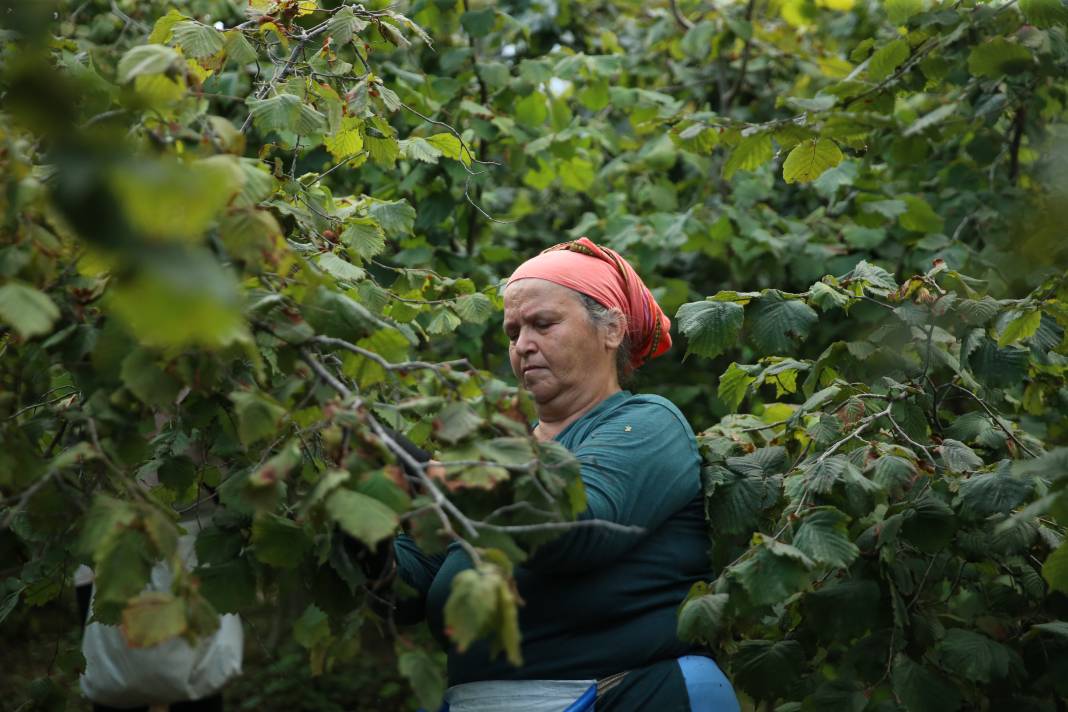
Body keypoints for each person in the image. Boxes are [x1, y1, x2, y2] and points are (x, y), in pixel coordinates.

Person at [386, 237, 740, 712]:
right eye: (513, 333)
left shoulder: (648, 423)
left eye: (543, 324)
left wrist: (428, 475)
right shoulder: (497, 456)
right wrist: (360, 523)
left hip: (631, 697)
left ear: (612, 329)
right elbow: (404, 594)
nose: (524, 346)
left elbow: (577, 529)